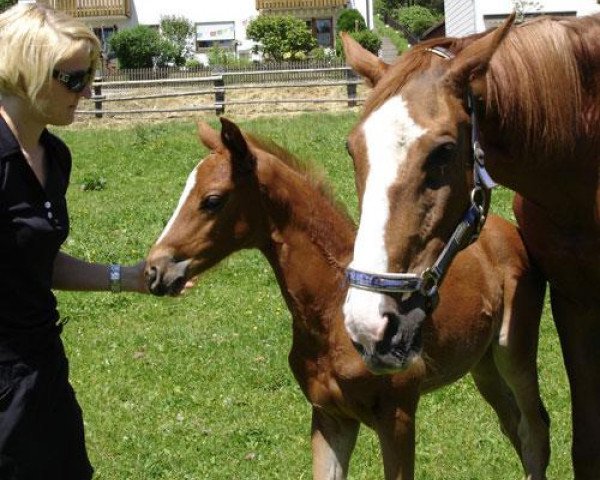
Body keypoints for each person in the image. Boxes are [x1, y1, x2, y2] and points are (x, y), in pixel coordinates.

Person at [0, 4, 148, 479]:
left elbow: (33, 262)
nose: (88, 90)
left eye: (91, 75)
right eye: (73, 78)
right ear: (27, 74)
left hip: (42, 370)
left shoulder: (54, 157)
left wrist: (127, 278)